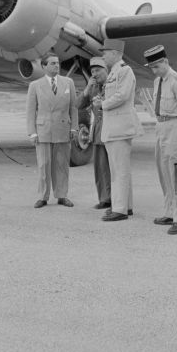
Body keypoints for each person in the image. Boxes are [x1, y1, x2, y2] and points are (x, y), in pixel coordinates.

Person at [144, 45, 177, 235]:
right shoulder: (158, 81)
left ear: (165, 61)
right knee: (163, 173)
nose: (154, 70)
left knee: (176, 175)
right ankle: (169, 212)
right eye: (151, 67)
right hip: (161, 127)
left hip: (175, 127)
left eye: (157, 66)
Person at [95, 38, 142, 222]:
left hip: (120, 128)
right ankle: (126, 206)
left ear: (115, 53)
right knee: (119, 169)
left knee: (119, 171)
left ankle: (120, 209)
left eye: (105, 52)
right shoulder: (114, 72)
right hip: (114, 128)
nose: (103, 55)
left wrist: (102, 104)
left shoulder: (125, 71)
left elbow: (122, 95)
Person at [26, 52, 78, 208]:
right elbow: (30, 110)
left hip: (63, 128)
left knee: (62, 164)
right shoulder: (35, 85)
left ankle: (62, 195)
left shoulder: (68, 82)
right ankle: (43, 196)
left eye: (58, 63)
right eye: (53, 63)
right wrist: (32, 132)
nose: (57, 65)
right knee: (44, 164)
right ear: (44, 66)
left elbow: (73, 107)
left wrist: (74, 127)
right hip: (43, 130)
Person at [77, 57, 111, 209]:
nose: (95, 74)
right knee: (100, 168)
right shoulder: (93, 88)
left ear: (106, 70)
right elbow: (78, 105)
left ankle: (118, 200)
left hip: (113, 130)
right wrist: (86, 89)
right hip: (98, 132)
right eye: (92, 72)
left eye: (98, 70)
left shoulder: (112, 85)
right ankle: (104, 198)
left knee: (114, 168)